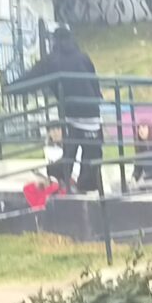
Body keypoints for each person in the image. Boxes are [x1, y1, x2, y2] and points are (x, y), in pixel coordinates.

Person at [19, 27, 102, 194]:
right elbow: (94, 81)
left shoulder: (52, 60)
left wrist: (11, 88)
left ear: (54, 41)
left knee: (70, 151)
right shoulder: (83, 57)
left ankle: (60, 177)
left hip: (72, 112)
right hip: (91, 111)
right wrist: (96, 98)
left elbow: (32, 77)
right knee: (92, 154)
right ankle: (87, 185)